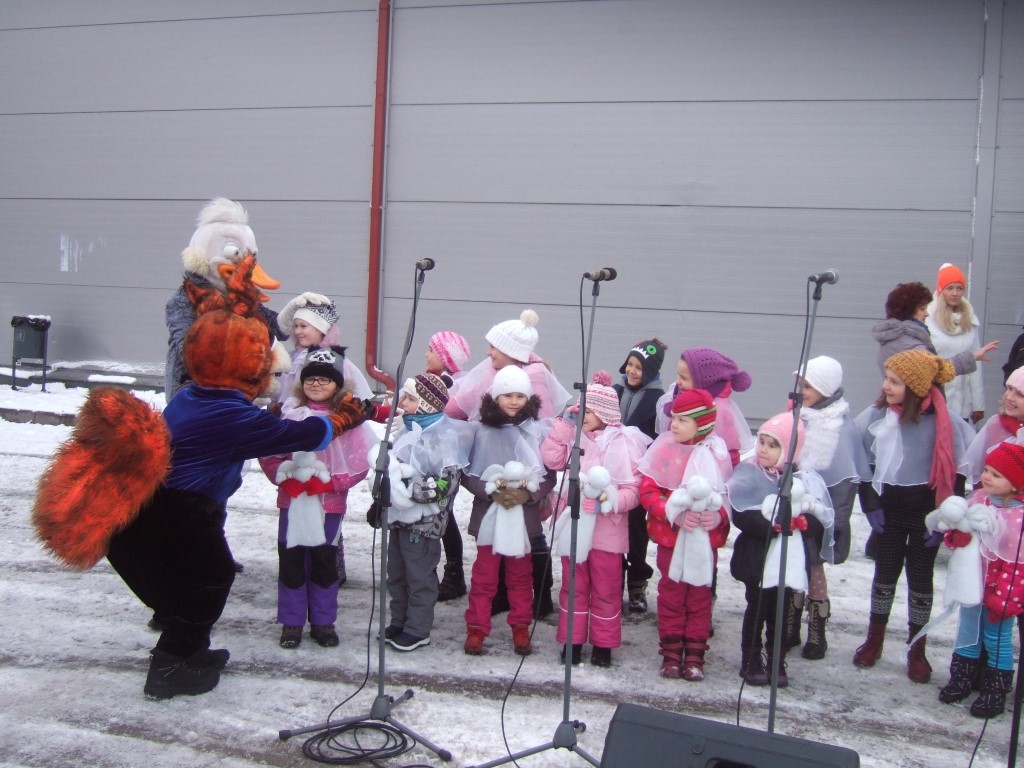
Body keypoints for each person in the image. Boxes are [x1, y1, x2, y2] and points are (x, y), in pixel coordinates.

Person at [36, 259, 373, 698]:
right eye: (263, 362)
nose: (274, 369)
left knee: (197, 583)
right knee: (205, 584)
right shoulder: (227, 413)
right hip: (177, 513)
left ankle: (191, 652)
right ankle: (171, 668)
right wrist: (345, 416)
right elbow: (300, 433)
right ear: (241, 366)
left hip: (168, 509)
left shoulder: (197, 395)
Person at [852, 349, 975, 684]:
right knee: (885, 572)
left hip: (925, 512)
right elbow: (862, 459)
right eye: (887, 379)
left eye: (895, 381)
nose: (886, 386)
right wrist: (870, 503)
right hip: (888, 510)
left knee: (920, 579)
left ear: (917, 388)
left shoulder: (943, 422)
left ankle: (917, 646)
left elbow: (958, 472)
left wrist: (944, 518)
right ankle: (875, 637)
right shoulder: (877, 415)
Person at [446, 309, 571, 618]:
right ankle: (502, 594)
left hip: (528, 473)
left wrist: (534, 485)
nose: (488, 353)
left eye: (494, 348)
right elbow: (465, 400)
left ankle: (540, 595)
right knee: (503, 538)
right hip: (496, 466)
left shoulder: (534, 378)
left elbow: (539, 430)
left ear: (511, 352)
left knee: (531, 536)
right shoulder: (494, 371)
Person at [258, 347, 376, 649]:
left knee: (324, 565)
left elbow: (361, 460)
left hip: (329, 505)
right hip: (293, 503)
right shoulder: (288, 414)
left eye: (325, 379)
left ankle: (324, 622)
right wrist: (284, 476)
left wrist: (333, 483)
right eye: (311, 379)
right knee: (292, 563)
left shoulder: (346, 420)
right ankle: (292, 622)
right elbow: (269, 453)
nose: (317, 385)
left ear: (337, 384)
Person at [541, 371, 651, 667]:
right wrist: (565, 423)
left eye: (588, 409)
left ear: (604, 412)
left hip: (607, 533)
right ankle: (572, 641)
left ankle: (603, 643)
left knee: (605, 588)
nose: (583, 414)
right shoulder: (575, 440)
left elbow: (633, 491)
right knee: (573, 586)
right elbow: (551, 459)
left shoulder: (623, 443)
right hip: (574, 526)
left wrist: (610, 500)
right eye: (581, 408)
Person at [371, 373, 475, 652]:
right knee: (396, 573)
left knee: (419, 576)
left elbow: (446, 483)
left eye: (409, 398)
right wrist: (382, 499)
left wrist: (406, 490)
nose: (401, 402)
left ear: (427, 405)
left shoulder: (443, 438)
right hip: (399, 520)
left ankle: (418, 628)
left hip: (425, 522)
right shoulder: (407, 430)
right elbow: (391, 468)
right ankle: (399, 620)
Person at [727, 412, 830, 688]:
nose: (763, 450)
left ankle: (776, 658)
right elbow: (741, 514)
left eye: (773, 445)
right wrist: (769, 525)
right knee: (757, 608)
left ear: (789, 450)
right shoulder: (749, 473)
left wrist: (801, 523)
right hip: (758, 558)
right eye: (762, 442)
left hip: (787, 559)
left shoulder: (799, 481)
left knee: (780, 612)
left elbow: (815, 518)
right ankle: (750, 658)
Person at [461, 366, 556, 656]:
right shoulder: (481, 430)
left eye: (519, 396)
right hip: (489, 517)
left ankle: (520, 628)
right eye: (507, 395)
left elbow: (548, 474)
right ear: (496, 397)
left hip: (523, 521)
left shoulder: (536, 432)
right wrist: (490, 491)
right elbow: (467, 472)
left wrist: (528, 493)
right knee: (484, 577)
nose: (514, 401)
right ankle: (476, 629)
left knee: (520, 578)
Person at [639, 389, 732, 680]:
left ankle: (695, 652)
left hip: (704, 543)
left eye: (682, 420)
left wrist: (717, 516)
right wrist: (671, 511)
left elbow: (728, 495)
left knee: (700, 595)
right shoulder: (665, 449)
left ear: (702, 424)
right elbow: (648, 489)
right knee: (672, 593)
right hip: (671, 539)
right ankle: (670, 651)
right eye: (673, 418)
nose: (674, 425)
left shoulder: (716, 453)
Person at [934, 442, 1024, 718]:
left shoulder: (1019, 517)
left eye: (996, 475)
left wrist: (1005, 599)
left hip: (1003, 593)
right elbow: (959, 532)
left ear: (1015, 484)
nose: (986, 477)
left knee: (997, 637)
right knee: (967, 630)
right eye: (986, 470)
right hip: (973, 584)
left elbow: (1017, 563)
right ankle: (962, 677)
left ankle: (995, 688)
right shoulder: (978, 501)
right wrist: (955, 536)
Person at [793, 356, 872, 660]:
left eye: (808, 385)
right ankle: (790, 624)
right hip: (794, 512)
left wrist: (835, 524)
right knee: (792, 570)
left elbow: (845, 481)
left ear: (825, 388)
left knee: (814, 572)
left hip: (822, 519)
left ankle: (816, 631)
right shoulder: (800, 417)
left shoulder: (842, 428)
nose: (802, 390)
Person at [613, 338, 667, 613]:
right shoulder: (615, 390)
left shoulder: (657, 400)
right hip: (611, 472)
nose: (633, 372)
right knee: (610, 527)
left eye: (640, 368)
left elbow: (658, 439)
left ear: (652, 373)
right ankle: (611, 579)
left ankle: (636, 582)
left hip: (636, 473)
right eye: (630, 365)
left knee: (635, 529)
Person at [871, 281, 997, 377]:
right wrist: (972, 357)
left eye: (960, 288)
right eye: (922, 309)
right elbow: (937, 372)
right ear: (907, 312)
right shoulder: (911, 345)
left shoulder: (895, 338)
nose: (926, 313)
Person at [655, 347, 755, 467]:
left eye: (684, 378)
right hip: (678, 464)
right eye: (678, 375)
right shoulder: (680, 395)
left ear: (703, 382)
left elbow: (729, 452)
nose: (678, 381)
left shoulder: (718, 410)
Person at [925, 264, 987, 425]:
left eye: (959, 288)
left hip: (962, 404)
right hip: (935, 400)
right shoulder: (928, 318)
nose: (955, 293)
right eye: (950, 288)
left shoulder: (969, 319)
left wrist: (978, 404)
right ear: (940, 289)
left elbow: (975, 363)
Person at [965, 366, 1024, 484]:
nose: (1009, 397)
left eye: (1021, 394)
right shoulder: (996, 424)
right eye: (1009, 388)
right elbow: (976, 466)